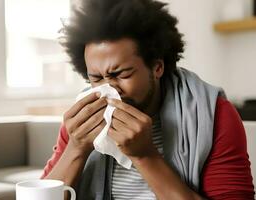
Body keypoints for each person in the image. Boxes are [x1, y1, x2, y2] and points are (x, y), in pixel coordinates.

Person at [41, 0, 255, 199]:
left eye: (121, 74)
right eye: (96, 78)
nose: (109, 88)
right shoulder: (83, 117)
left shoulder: (213, 114)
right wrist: (76, 148)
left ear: (157, 67)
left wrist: (145, 156)